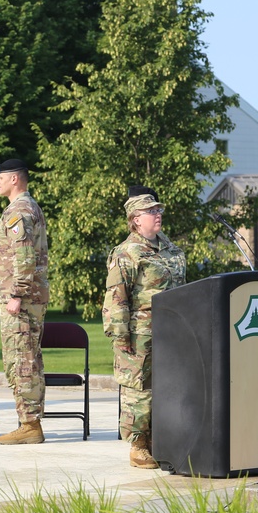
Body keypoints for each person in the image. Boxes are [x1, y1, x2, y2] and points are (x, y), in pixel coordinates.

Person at [102, 185, 186, 468]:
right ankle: (138, 445)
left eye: (158, 209)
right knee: (139, 388)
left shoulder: (171, 249)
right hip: (139, 334)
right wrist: (120, 336)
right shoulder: (127, 253)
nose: (157, 214)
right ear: (136, 218)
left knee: (167, 387)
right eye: (151, 211)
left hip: (172, 332)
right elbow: (116, 297)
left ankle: (161, 440)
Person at [0, 158, 50, 444]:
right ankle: (30, 421)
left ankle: (29, 424)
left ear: (15, 179)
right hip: (29, 297)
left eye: (1, 177)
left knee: (21, 360)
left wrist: (16, 293)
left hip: (21, 299)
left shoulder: (19, 211)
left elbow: (25, 255)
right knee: (28, 357)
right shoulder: (28, 208)